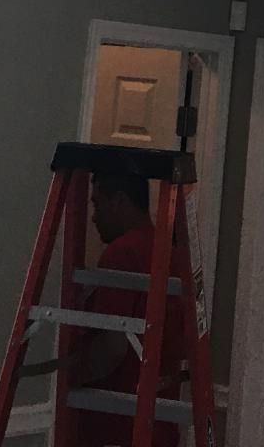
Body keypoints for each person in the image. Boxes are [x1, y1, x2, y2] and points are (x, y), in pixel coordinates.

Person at [65, 170, 184, 447]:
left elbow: (112, 346)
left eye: (97, 204)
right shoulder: (169, 252)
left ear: (119, 200)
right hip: (157, 422)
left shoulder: (122, 253)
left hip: (117, 423)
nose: (93, 217)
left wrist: (64, 381)